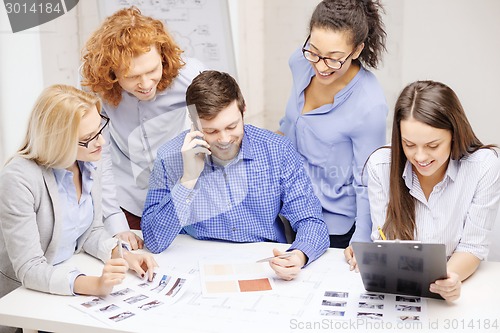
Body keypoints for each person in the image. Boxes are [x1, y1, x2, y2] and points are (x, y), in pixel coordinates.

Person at [141, 70, 329, 281]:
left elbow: (311, 220)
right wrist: (188, 180)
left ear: (243, 110)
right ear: (193, 122)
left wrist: (300, 254)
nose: (223, 139)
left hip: (264, 265)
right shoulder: (169, 156)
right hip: (197, 266)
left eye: (232, 126)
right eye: (211, 131)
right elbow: (154, 241)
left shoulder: (277, 150)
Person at [0, 85, 158, 313]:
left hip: (68, 279)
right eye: (88, 138)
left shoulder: (90, 159)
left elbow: (89, 232)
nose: (101, 143)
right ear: (57, 141)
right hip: (25, 298)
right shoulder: (19, 179)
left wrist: (122, 254)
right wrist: (96, 285)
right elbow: (30, 268)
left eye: (99, 129)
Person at [347, 80, 500, 301]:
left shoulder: (484, 166)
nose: (419, 157)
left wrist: (450, 278)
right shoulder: (381, 165)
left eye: (432, 146)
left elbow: (472, 246)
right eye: (409, 144)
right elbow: (383, 240)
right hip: (398, 290)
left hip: (458, 287)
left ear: (454, 134)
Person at [81, 7, 205, 240]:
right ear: (111, 73)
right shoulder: (95, 89)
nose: (146, 84)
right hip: (126, 197)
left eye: (152, 70)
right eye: (132, 76)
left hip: (179, 190)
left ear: (163, 57)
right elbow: (100, 157)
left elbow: (219, 130)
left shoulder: (192, 75)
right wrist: (116, 224)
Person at [278, 0, 388, 248]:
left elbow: (369, 180)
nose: (320, 65)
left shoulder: (369, 105)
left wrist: (362, 239)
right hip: (289, 207)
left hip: (333, 226)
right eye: (314, 52)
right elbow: (289, 125)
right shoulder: (300, 61)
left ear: (357, 50)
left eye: (333, 58)